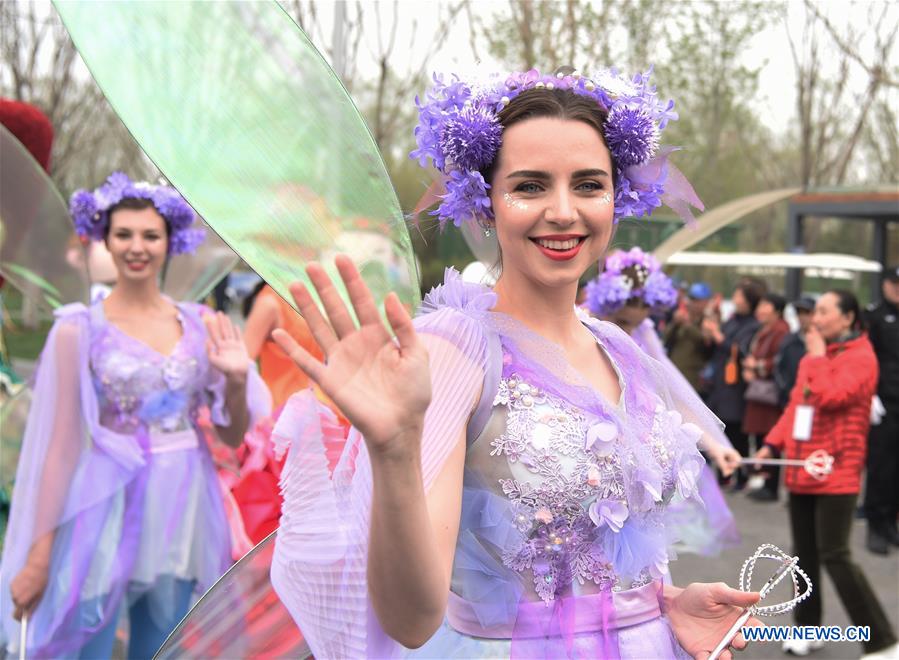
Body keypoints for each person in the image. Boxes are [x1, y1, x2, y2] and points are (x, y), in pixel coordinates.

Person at [269, 68, 762, 659]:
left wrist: (658, 605)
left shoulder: (620, 348)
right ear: (486, 199)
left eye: (588, 184)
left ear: (618, 197)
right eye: (529, 186)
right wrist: (394, 452)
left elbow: (607, 549)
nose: (562, 211)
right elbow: (410, 619)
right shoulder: (456, 349)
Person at [0, 173, 271, 659]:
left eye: (150, 234)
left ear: (170, 241)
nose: (137, 246)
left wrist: (233, 379)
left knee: (163, 644)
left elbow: (230, 436)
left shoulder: (200, 324)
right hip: (104, 501)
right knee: (89, 643)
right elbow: (61, 448)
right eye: (123, 234)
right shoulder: (77, 330)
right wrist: (39, 555)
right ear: (104, 239)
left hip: (183, 503)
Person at [756, 290, 897, 658]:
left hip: (837, 471)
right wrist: (772, 444)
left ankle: (883, 640)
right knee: (802, 555)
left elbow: (831, 397)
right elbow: (797, 408)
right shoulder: (814, 358)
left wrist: (817, 358)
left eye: (823, 312)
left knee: (834, 553)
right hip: (802, 467)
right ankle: (807, 629)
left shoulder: (862, 357)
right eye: (813, 312)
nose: (814, 319)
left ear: (848, 318)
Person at [584, 247, 741, 556]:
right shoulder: (580, 331)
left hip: (637, 461)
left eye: (633, 325)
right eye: (620, 322)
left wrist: (715, 444)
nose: (625, 333)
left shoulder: (644, 336)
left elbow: (675, 393)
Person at [703, 277, 766, 489]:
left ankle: (741, 476)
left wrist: (719, 337)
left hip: (736, 386)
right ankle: (724, 475)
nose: (736, 299)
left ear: (749, 300)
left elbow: (742, 350)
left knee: (737, 431)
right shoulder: (732, 320)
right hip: (721, 384)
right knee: (720, 428)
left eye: (739, 295)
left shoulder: (753, 325)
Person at [863, 266, 899, 555]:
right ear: (886, 284)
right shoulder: (873, 316)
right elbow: (866, 358)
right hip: (884, 405)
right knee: (881, 467)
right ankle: (875, 525)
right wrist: (872, 397)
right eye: (894, 284)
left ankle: (890, 524)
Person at [742, 292, 790, 502]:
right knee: (761, 436)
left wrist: (757, 367)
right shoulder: (765, 329)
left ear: (777, 310)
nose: (760, 310)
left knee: (770, 437)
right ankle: (764, 482)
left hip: (770, 394)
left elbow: (779, 360)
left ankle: (771, 486)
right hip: (759, 392)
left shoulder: (781, 331)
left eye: (765, 306)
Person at [664, 282, 715, 394]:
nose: (692, 303)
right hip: (673, 372)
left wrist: (688, 325)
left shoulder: (709, 321)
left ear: (705, 302)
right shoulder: (681, 317)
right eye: (691, 299)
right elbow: (666, 340)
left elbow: (705, 343)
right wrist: (675, 323)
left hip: (692, 377)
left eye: (697, 300)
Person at [773, 297, 815, 409]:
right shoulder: (789, 340)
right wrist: (786, 391)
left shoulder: (824, 342)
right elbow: (778, 368)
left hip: (814, 403)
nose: (802, 317)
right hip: (789, 402)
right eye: (799, 313)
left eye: (807, 313)